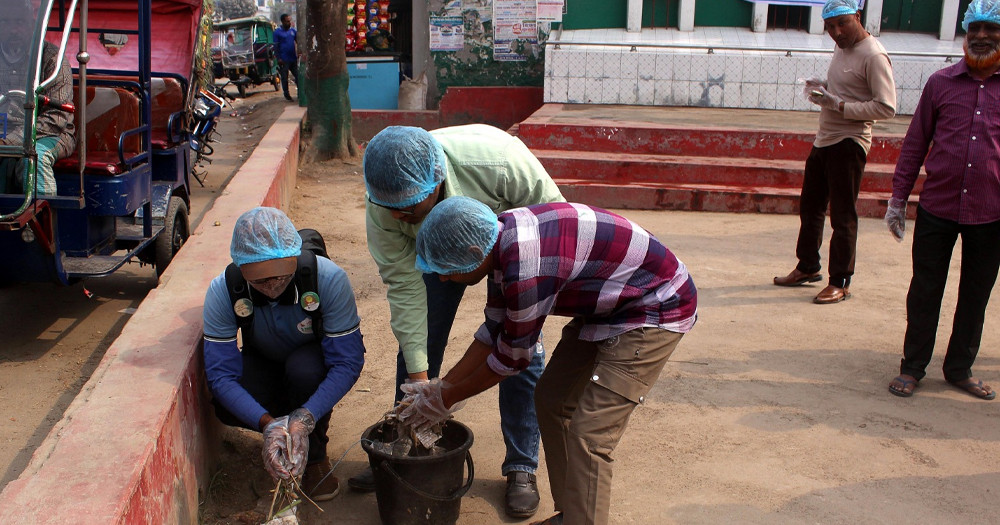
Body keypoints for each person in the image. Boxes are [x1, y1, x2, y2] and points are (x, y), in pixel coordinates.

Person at [399, 197, 698, 525]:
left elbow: (513, 358)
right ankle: (574, 514)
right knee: (552, 400)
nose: (442, 279)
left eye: (447, 271)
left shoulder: (525, 266)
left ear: (473, 254)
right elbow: (493, 331)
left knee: (591, 434)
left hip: (656, 304)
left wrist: (448, 397)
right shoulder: (498, 239)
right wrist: (440, 388)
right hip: (609, 305)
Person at [354, 124, 565, 518]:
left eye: (409, 211)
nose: (398, 216)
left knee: (521, 349)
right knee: (419, 343)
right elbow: (405, 289)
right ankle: (405, 449)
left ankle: (521, 466)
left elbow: (555, 231)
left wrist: (524, 315)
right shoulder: (385, 202)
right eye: (391, 210)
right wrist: (422, 386)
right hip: (435, 258)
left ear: (435, 184)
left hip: (515, 248)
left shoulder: (500, 164)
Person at [202, 207, 366, 500]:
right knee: (225, 403)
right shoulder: (224, 290)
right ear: (241, 268)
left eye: (281, 276)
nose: (272, 286)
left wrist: (306, 416)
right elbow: (220, 375)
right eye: (260, 281)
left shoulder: (328, 279)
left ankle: (314, 455)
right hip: (262, 360)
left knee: (305, 372)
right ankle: (283, 438)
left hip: (309, 363)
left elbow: (347, 361)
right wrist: (268, 424)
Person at [885, 0, 1000, 400]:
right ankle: (913, 366)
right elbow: (916, 144)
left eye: (992, 29)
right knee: (925, 289)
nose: (982, 37)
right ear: (965, 34)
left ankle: (959, 368)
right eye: (975, 30)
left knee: (975, 294)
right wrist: (898, 199)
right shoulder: (941, 83)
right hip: (938, 208)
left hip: (991, 214)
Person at [773, 0, 896, 304]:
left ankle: (840, 281)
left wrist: (838, 105)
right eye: (830, 27)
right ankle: (807, 267)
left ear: (857, 16)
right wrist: (824, 87)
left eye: (843, 23)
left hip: (850, 142)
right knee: (810, 207)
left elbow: (886, 107)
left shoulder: (874, 55)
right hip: (824, 138)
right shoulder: (842, 47)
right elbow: (849, 88)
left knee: (842, 215)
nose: (837, 32)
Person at [0, 0, 75, 196]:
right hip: (3, 130)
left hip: (49, 134)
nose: (13, 29)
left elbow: (56, 118)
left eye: (19, 22)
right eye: (5, 22)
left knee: (34, 159)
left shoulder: (52, 59)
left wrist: (11, 141)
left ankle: (41, 221)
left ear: (31, 25)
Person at [273, 14, 298, 101]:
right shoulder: (277, 32)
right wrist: (278, 58)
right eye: (287, 21)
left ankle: (300, 93)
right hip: (283, 59)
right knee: (285, 77)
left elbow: (298, 41)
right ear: (283, 22)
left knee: (298, 76)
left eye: (290, 21)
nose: (289, 23)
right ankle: (287, 94)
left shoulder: (293, 31)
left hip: (293, 58)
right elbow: (275, 47)